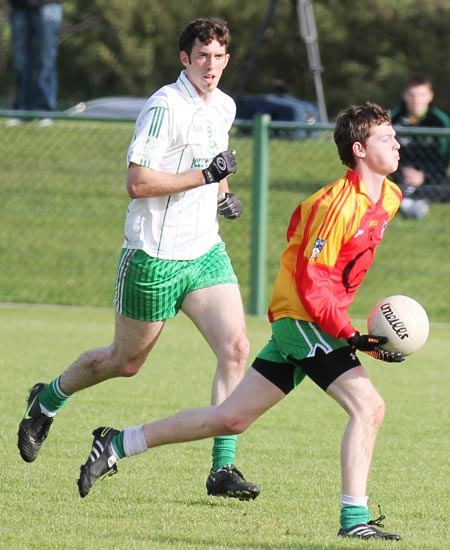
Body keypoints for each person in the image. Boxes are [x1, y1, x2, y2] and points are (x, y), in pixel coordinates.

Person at [75, 102, 405, 541]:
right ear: (360, 149)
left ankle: (117, 443)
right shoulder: (336, 205)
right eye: (387, 137)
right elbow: (312, 284)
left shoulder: (391, 197)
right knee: (370, 408)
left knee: (230, 418)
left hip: (315, 322)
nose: (397, 143)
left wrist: (356, 330)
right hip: (304, 318)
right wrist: (350, 334)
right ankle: (354, 521)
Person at [17, 17, 260, 501]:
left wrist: (220, 195)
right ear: (184, 59)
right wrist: (204, 175)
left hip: (204, 251)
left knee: (235, 349)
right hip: (154, 255)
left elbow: (215, 166)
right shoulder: (163, 107)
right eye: (201, 56)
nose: (210, 66)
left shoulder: (225, 105)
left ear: (226, 60)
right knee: (124, 362)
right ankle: (46, 402)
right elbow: (138, 183)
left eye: (218, 57)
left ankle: (222, 468)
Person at [390, 74, 450, 218]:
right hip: (399, 171)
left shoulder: (440, 122)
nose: (416, 100)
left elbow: (444, 157)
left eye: (421, 95)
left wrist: (423, 175)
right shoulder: (393, 118)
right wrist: (401, 170)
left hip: (430, 175)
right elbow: (383, 149)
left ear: (430, 96)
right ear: (404, 96)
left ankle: (414, 200)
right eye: (411, 95)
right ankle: (404, 199)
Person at [8, 0, 62, 126]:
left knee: (46, 61)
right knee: (21, 63)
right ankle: (22, 112)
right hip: (19, 7)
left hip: (47, 6)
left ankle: (46, 112)